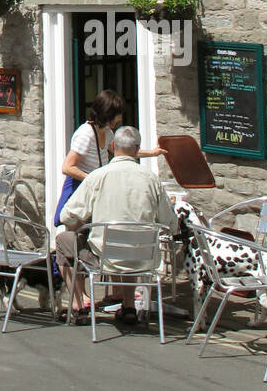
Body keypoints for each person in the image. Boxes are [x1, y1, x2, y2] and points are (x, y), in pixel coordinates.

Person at [57, 125, 179, 323]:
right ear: (137, 149)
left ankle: (78, 306)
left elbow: (67, 216)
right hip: (143, 258)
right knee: (131, 237)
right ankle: (129, 306)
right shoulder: (152, 180)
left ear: (113, 146)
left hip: (105, 258)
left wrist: (86, 221)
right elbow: (170, 224)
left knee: (63, 240)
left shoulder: (98, 177)